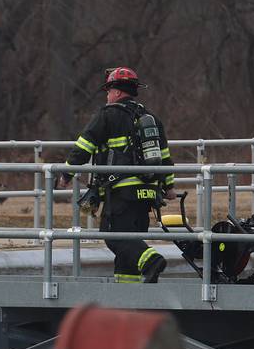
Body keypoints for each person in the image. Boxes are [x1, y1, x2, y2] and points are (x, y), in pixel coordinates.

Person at [59, 66, 176, 283]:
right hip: (149, 194)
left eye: (108, 91)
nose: (107, 95)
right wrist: (169, 187)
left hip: (122, 192)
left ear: (118, 92)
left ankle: (151, 260)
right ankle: (127, 292)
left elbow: (84, 147)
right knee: (130, 244)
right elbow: (165, 156)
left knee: (114, 236)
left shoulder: (107, 115)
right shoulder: (151, 118)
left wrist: (66, 173)